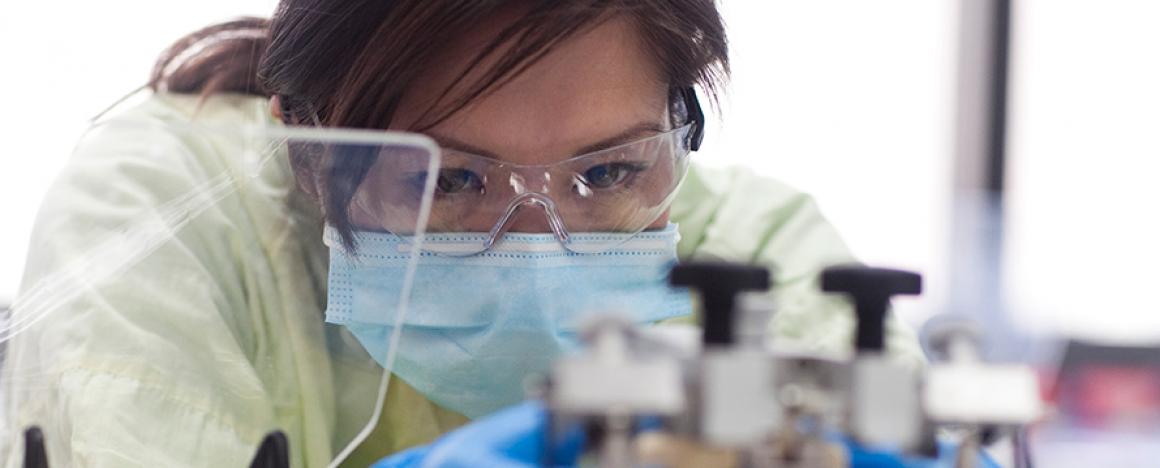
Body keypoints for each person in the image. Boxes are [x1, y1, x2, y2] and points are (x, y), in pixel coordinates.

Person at [1, 1, 922, 466]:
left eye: (604, 173)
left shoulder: (752, 252)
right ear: (307, 154)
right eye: (444, 180)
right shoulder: (170, 213)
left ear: (678, 132)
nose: (532, 249)